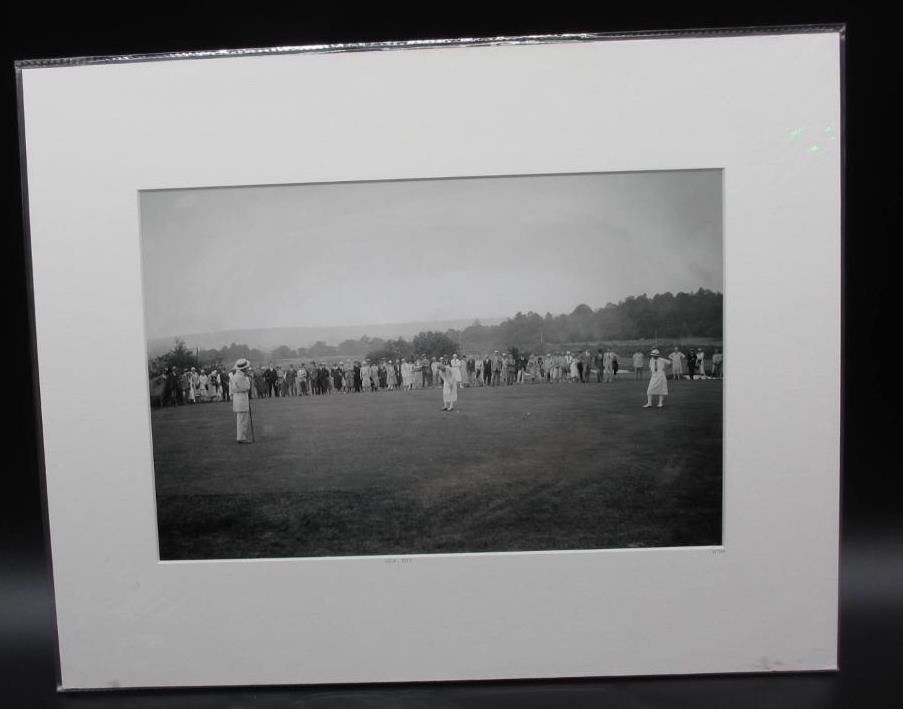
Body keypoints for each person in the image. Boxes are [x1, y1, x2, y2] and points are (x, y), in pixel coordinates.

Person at [230, 358, 253, 443]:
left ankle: (241, 437)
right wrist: (248, 380)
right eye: (246, 368)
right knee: (242, 420)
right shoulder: (241, 377)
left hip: (239, 399)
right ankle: (241, 438)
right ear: (243, 369)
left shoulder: (236, 376)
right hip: (241, 399)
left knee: (241, 420)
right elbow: (246, 388)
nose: (247, 369)